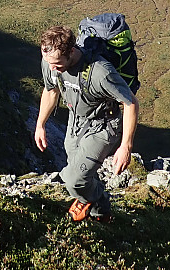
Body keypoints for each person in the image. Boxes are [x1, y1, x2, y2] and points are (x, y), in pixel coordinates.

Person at [34, 24, 139, 222]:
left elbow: (131, 103)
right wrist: (40, 124)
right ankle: (91, 199)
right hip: (77, 120)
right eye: (48, 62)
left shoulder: (100, 72)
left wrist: (126, 146)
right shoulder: (50, 61)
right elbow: (50, 90)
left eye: (56, 64)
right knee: (75, 162)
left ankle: (101, 209)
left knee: (73, 180)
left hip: (104, 125)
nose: (51, 68)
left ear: (71, 52)